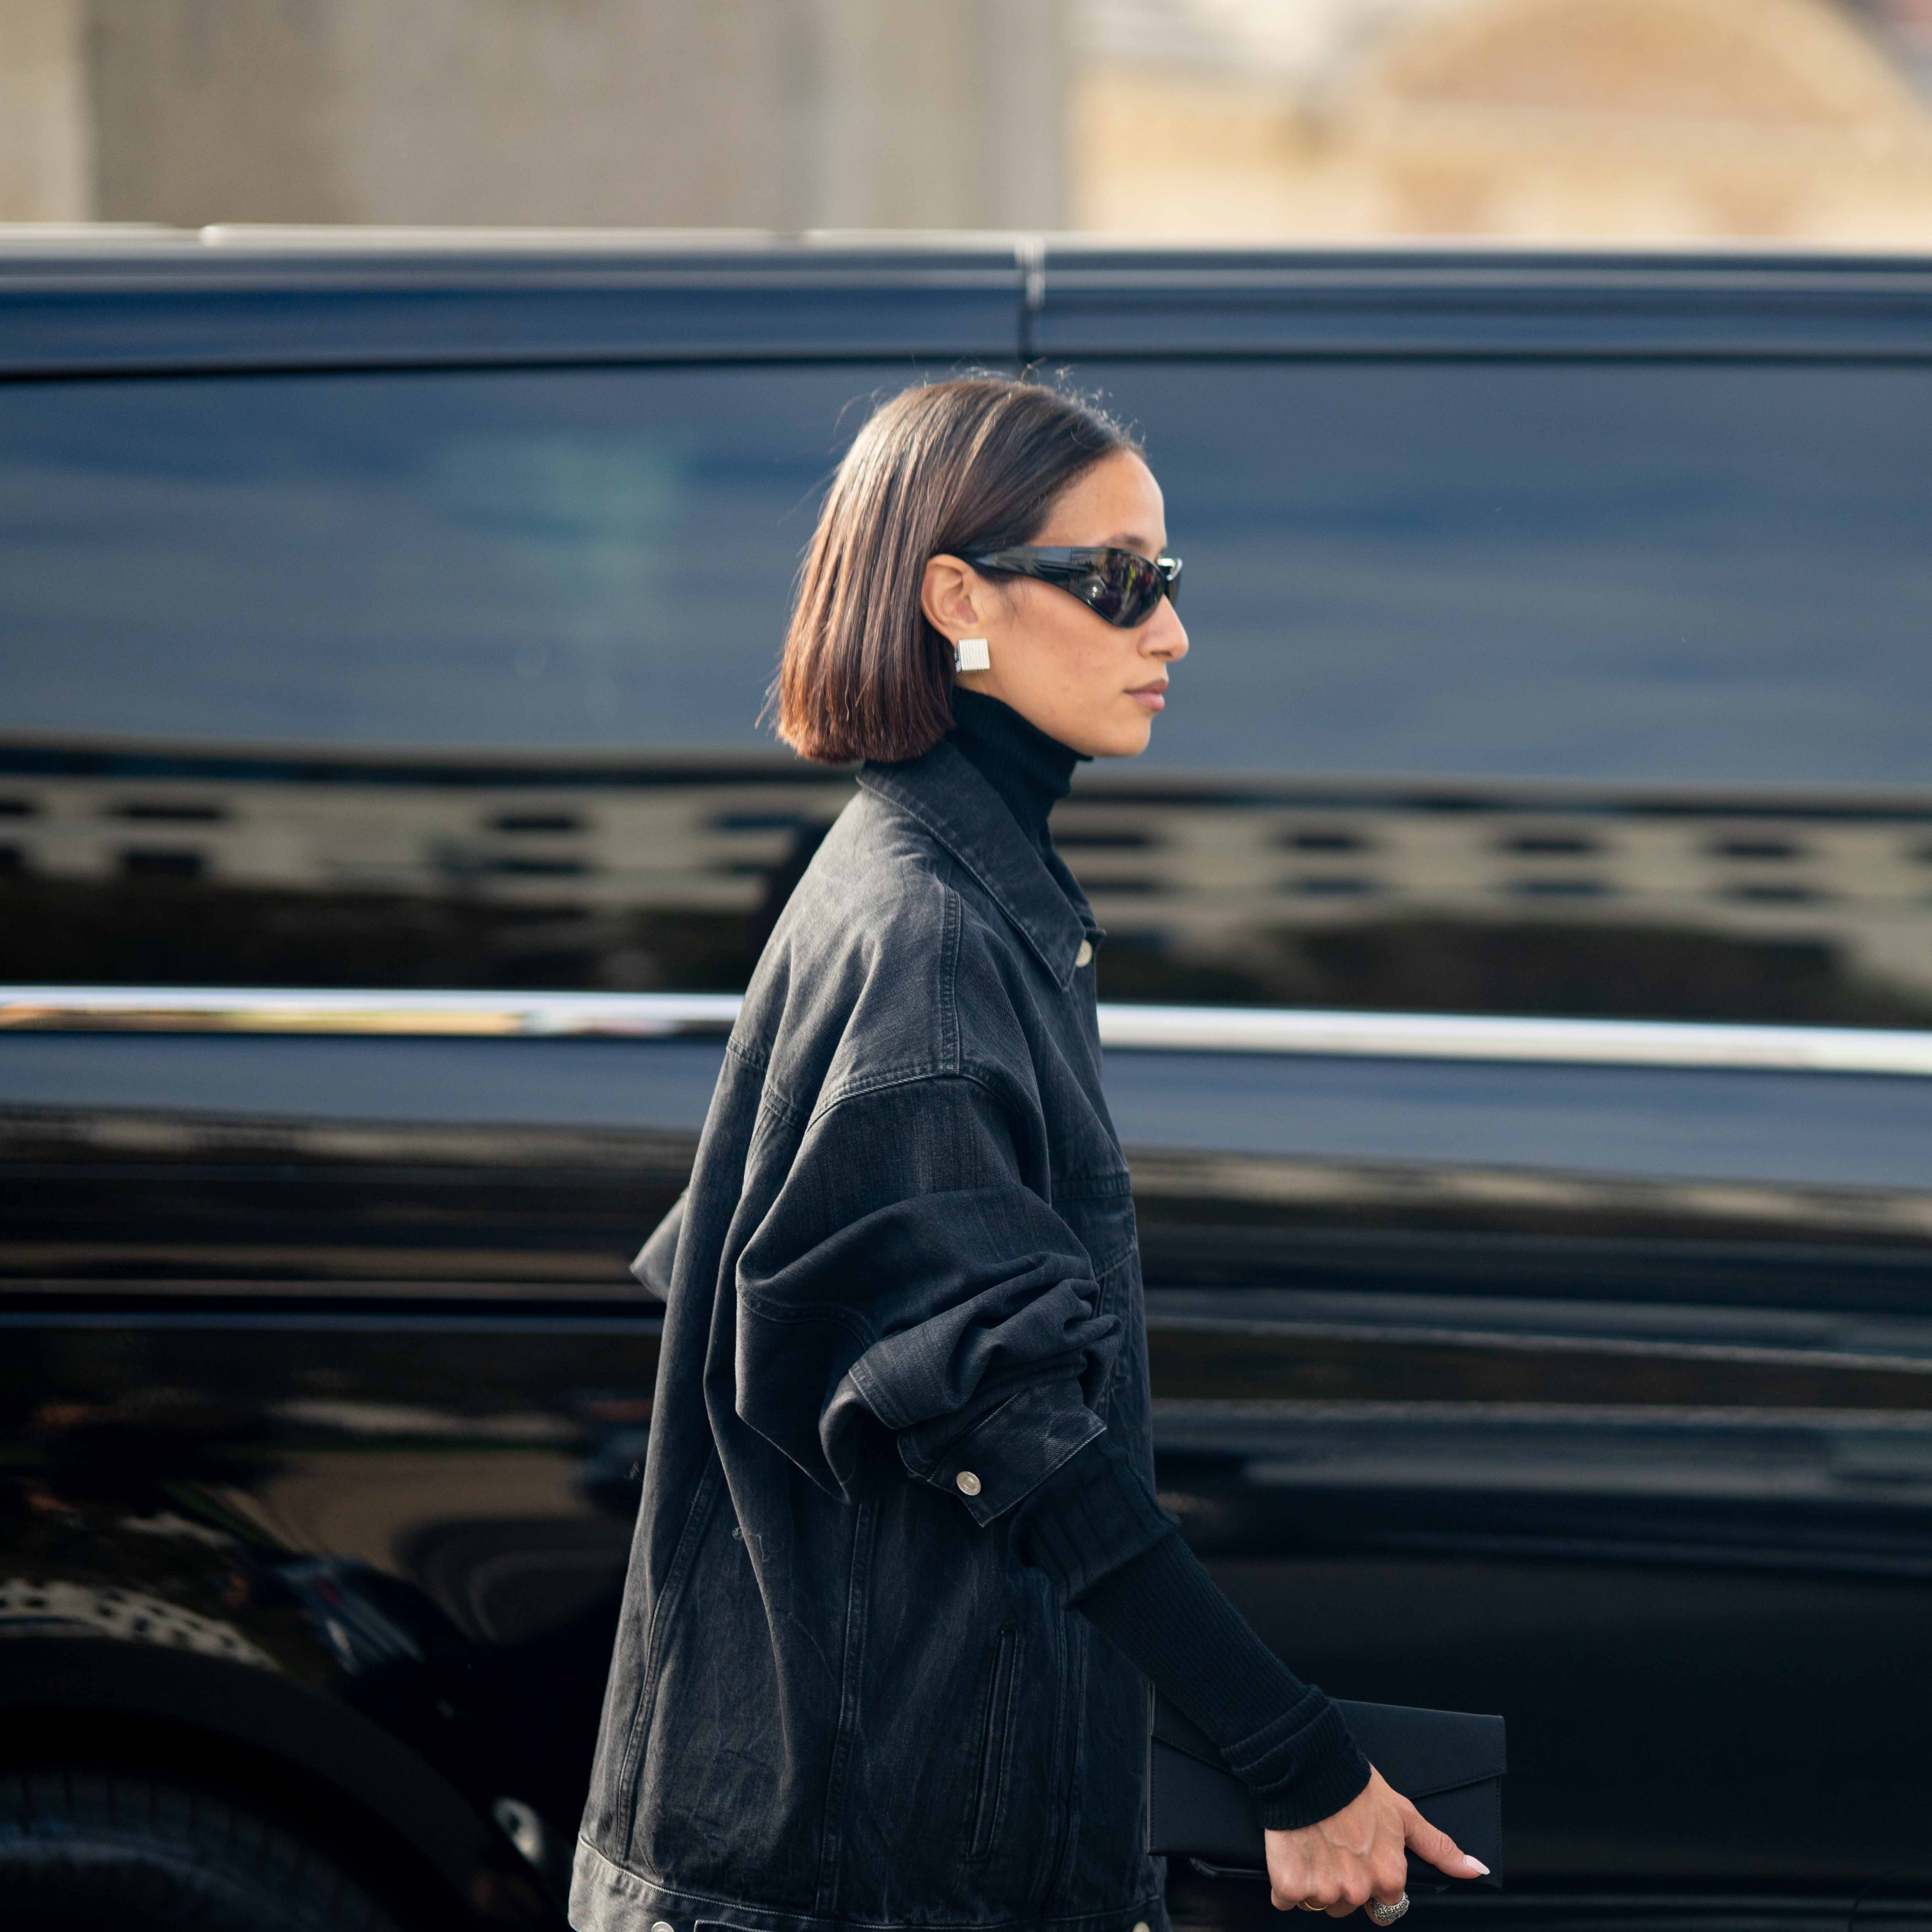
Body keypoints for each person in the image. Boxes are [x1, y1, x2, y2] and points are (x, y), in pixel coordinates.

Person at [571, 376, 1487, 1932]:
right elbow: (1018, 1438)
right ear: (956, 598)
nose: (1170, 633)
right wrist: (1294, 1760)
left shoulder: (948, 893)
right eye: (1119, 581)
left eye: (1169, 583)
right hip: (843, 1884)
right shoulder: (924, 934)